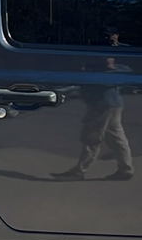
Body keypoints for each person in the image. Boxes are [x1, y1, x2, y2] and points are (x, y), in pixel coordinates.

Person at [54, 28, 134, 180]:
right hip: (106, 100)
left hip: (104, 101)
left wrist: (109, 67)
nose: (110, 38)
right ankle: (126, 168)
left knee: (92, 135)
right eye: (106, 36)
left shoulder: (123, 52)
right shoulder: (97, 49)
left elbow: (127, 70)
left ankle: (79, 171)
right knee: (116, 137)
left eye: (112, 35)